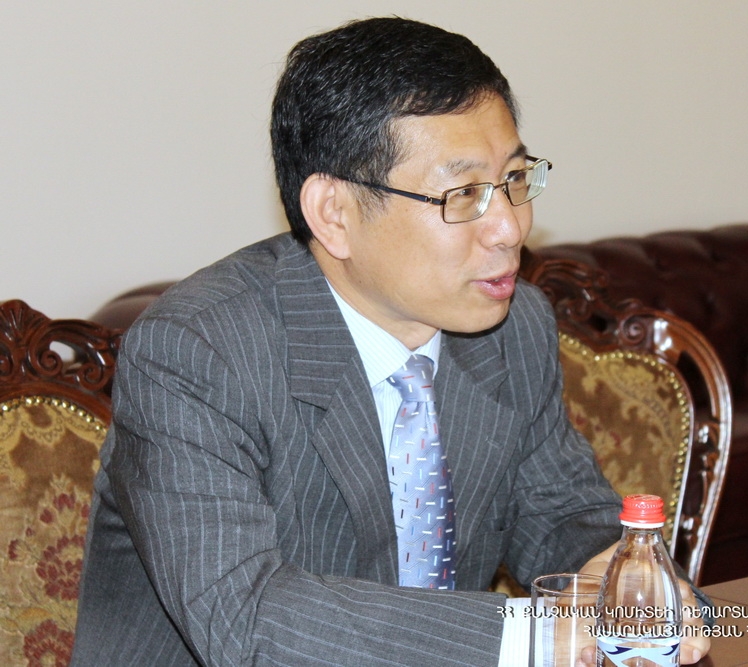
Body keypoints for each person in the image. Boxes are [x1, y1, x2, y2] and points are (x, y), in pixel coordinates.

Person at [72, 17, 712, 666]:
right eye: (464, 193)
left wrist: (623, 575)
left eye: (516, 179)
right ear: (334, 214)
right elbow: (248, 618)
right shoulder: (197, 353)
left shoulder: (512, 326)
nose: (510, 227)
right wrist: (534, 636)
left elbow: (561, 511)